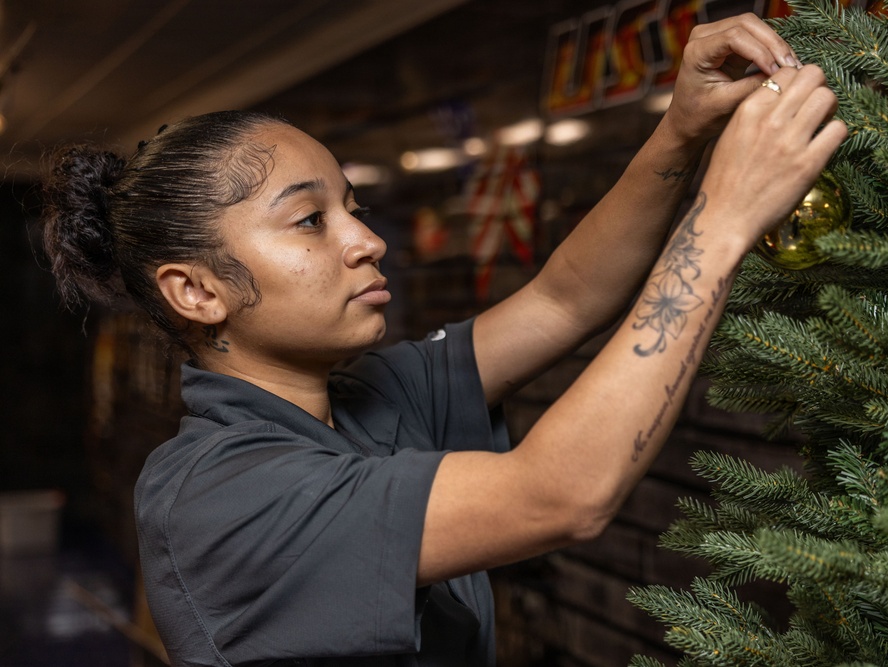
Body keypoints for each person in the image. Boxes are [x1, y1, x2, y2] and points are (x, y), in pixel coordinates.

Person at [40, 13, 846, 667]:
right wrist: (724, 217)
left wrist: (679, 131)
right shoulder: (218, 498)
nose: (366, 239)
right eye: (311, 220)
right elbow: (559, 494)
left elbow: (566, 299)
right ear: (196, 290)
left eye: (351, 205)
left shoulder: (374, 395)